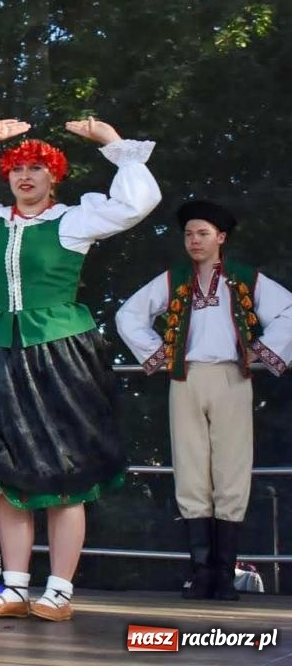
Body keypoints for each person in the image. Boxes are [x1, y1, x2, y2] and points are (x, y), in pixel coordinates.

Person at [0, 117, 161, 621]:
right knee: (8, 473)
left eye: (37, 168)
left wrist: (115, 144)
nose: (25, 176)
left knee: (65, 474)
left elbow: (137, 203)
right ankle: (13, 587)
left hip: (60, 355)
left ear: (55, 178)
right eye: (17, 168)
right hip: (0, 353)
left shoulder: (74, 221)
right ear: (7, 176)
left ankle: (58, 590)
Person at [115, 199, 291, 601]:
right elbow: (128, 315)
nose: (194, 241)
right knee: (191, 468)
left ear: (221, 238)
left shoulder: (245, 278)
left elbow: (289, 312)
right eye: (189, 234)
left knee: (232, 469)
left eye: (203, 234)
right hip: (185, 376)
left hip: (232, 377)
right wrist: (159, 354)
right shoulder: (175, 278)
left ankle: (225, 575)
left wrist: (259, 351)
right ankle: (200, 573)